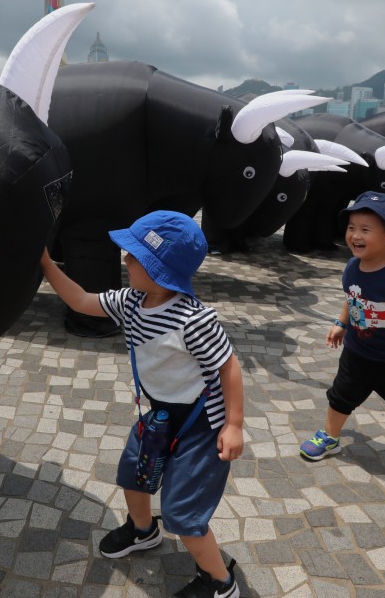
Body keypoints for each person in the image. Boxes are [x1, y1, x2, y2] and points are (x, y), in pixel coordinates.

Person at [40, 210, 244, 598]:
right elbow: (81, 300)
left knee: (182, 513)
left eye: (135, 256)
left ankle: (220, 583)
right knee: (133, 472)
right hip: (161, 414)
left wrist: (233, 425)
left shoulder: (193, 320)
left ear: (159, 269)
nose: (126, 259)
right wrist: (47, 264)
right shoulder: (131, 301)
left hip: (202, 427)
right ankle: (142, 530)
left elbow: (228, 367)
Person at [300, 192, 385, 461]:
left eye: (365, 230)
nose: (355, 235)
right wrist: (341, 323)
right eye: (351, 228)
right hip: (357, 353)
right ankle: (330, 437)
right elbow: (352, 299)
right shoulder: (351, 267)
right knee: (340, 396)